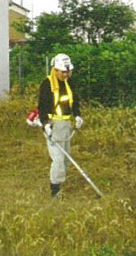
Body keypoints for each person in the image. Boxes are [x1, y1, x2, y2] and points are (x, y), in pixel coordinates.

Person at [38, 53, 83, 197]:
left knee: (65, 157)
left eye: (68, 71)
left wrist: (77, 115)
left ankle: (59, 182)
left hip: (66, 124)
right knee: (57, 158)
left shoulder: (69, 83)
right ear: (55, 70)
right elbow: (42, 106)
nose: (66, 74)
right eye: (63, 72)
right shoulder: (47, 84)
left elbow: (74, 101)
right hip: (53, 124)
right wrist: (45, 124)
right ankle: (55, 189)